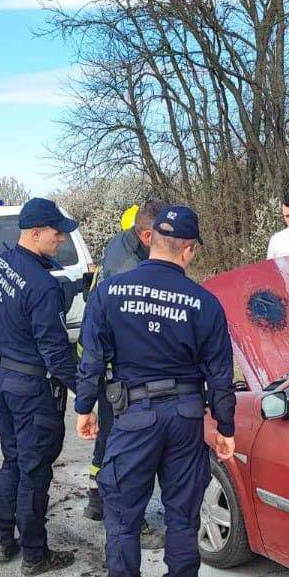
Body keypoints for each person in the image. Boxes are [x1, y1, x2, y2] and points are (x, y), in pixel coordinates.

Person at [75, 205, 236, 577]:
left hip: (134, 417)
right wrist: (225, 427)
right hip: (185, 416)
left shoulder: (109, 292)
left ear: (150, 242)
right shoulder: (205, 303)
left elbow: (92, 357)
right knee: (183, 515)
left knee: (123, 519)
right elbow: (220, 375)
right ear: (187, 250)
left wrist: (84, 407)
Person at [0, 197, 80, 576]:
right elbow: (56, 353)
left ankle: (2, 537)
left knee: (13, 459)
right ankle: (36, 554)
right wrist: (86, 393)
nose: (62, 240)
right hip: (32, 388)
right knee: (34, 469)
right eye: (57, 233)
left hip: (3, 376)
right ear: (35, 233)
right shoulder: (40, 284)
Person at [83, 200, 168, 555]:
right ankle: (133, 522)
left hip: (98, 357)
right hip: (114, 365)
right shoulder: (129, 271)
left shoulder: (120, 241)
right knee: (128, 445)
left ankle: (97, 497)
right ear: (147, 235)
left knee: (110, 434)